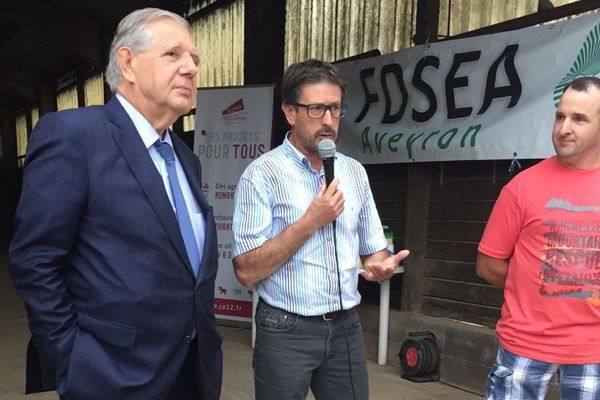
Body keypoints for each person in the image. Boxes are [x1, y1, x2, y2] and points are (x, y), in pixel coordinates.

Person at [9, 8, 222, 400]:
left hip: (193, 370)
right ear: (128, 63)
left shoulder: (185, 157)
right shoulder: (75, 137)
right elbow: (35, 259)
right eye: (173, 54)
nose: (191, 68)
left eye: (194, 58)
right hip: (112, 375)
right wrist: (70, 356)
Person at [232, 58, 410, 400]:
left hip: (346, 327)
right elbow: (246, 270)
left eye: (335, 108)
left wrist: (379, 266)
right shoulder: (262, 175)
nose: (328, 120)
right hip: (285, 328)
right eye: (316, 109)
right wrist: (312, 220)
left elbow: (374, 250)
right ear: (290, 111)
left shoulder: (354, 172)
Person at [477, 76, 600, 399]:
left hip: (594, 350)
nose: (564, 128)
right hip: (525, 344)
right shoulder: (522, 187)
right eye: (560, 116)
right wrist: (536, 291)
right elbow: (488, 265)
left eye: (579, 119)